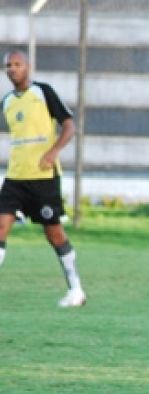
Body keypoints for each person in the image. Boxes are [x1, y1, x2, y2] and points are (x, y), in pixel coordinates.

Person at [0, 49, 85, 307]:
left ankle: (76, 290)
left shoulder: (43, 92)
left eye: (17, 64)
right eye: (8, 66)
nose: (12, 69)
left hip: (43, 178)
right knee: (1, 227)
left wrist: (54, 151)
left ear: (27, 66)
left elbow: (69, 125)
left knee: (54, 234)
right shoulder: (7, 102)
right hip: (15, 178)